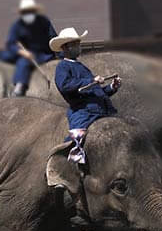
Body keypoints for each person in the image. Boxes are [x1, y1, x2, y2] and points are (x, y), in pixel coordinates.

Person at [50, 27, 121, 163]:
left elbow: (95, 92)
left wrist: (112, 87)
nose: (79, 46)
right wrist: (91, 80)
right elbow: (65, 85)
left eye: (78, 43)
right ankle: (63, 167)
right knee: (76, 142)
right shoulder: (63, 67)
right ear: (66, 47)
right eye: (75, 44)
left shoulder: (81, 66)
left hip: (103, 110)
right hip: (83, 112)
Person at [0, 0, 58, 96]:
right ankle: (17, 86)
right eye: (25, 12)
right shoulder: (17, 25)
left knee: (24, 62)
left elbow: (53, 38)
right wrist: (22, 52)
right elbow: (11, 43)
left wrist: (60, 54)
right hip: (26, 53)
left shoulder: (44, 21)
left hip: (44, 53)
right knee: (16, 61)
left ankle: (20, 88)